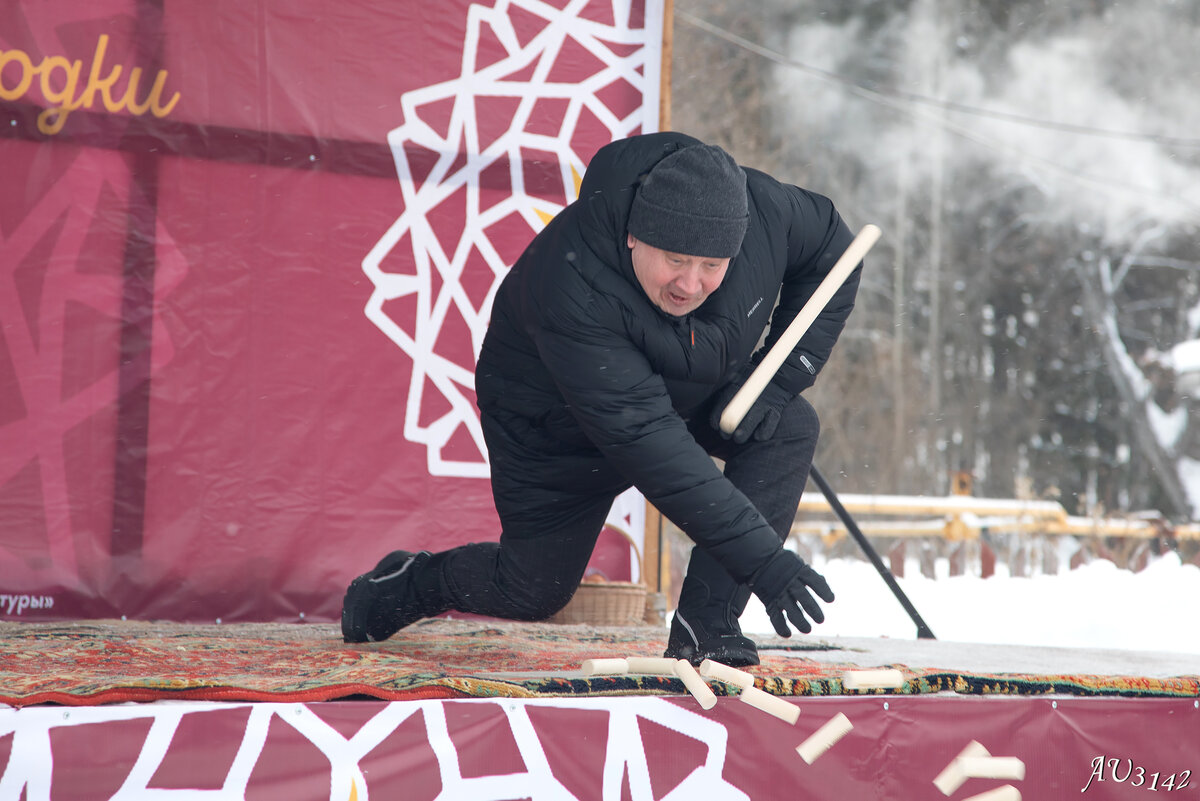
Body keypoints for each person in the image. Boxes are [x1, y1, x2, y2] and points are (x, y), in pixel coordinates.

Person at [342, 131, 862, 667]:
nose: (691, 283)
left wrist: (776, 379)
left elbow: (837, 253)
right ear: (636, 236)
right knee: (534, 590)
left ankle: (706, 627)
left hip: (677, 390)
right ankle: (406, 585)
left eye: (713, 265)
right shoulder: (570, 286)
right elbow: (647, 442)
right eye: (676, 259)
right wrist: (764, 562)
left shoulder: (765, 213)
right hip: (555, 424)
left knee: (785, 423)